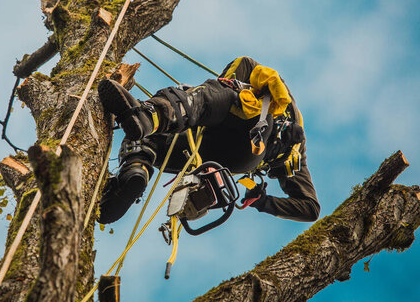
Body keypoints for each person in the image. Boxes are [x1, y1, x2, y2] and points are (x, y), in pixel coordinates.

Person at [97, 56, 320, 224]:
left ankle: (152, 116)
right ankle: (134, 175)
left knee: (217, 94)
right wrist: (262, 202)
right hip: (223, 158)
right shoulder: (298, 155)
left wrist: (262, 201)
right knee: (146, 139)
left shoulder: (251, 71)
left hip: (251, 138)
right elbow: (310, 208)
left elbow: (225, 82)